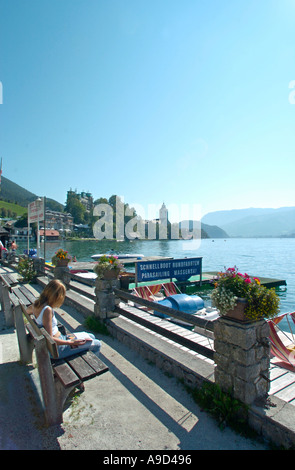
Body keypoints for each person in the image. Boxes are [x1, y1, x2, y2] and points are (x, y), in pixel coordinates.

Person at [27, 279, 101, 359]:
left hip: (61, 339)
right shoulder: (47, 310)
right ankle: (91, 366)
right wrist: (71, 342)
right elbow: (50, 339)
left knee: (91, 336)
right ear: (56, 296)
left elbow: (27, 311)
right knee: (97, 344)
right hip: (58, 349)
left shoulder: (36, 304)